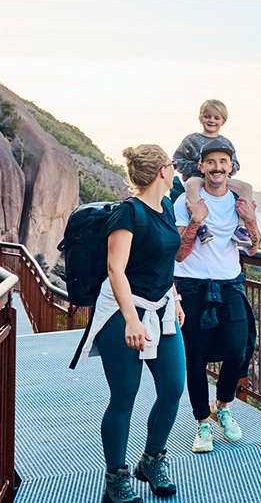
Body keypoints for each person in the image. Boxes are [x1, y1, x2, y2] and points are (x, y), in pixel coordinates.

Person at [72, 145, 186, 503]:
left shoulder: (166, 206)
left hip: (161, 307)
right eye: (171, 165)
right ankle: (115, 479)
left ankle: (151, 461)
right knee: (124, 395)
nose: (174, 169)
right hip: (123, 312)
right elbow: (115, 269)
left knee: (173, 388)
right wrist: (132, 320)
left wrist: (175, 297)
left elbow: (164, 260)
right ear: (161, 172)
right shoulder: (128, 213)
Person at [173, 138, 261, 453]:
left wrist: (250, 220)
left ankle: (221, 405)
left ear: (231, 166)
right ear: (201, 166)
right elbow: (179, 254)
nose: (217, 167)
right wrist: (196, 220)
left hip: (229, 284)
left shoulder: (240, 200)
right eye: (211, 162)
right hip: (192, 285)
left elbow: (253, 248)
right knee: (195, 359)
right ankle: (202, 422)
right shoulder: (185, 201)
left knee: (238, 350)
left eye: (223, 161)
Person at [173, 98, 255, 247]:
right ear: (201, 118)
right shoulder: (191, 140)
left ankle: (241, 228)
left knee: (247, 187)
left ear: (223, 121)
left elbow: (235, 164)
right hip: (197, 179)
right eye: (207, 116)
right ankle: (201, 226)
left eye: (216, 118)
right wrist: (199, 167)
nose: (211, 120)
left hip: (221, 179)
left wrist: (223, 169)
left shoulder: (225, 143)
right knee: (191, 184)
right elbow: (177, 162)